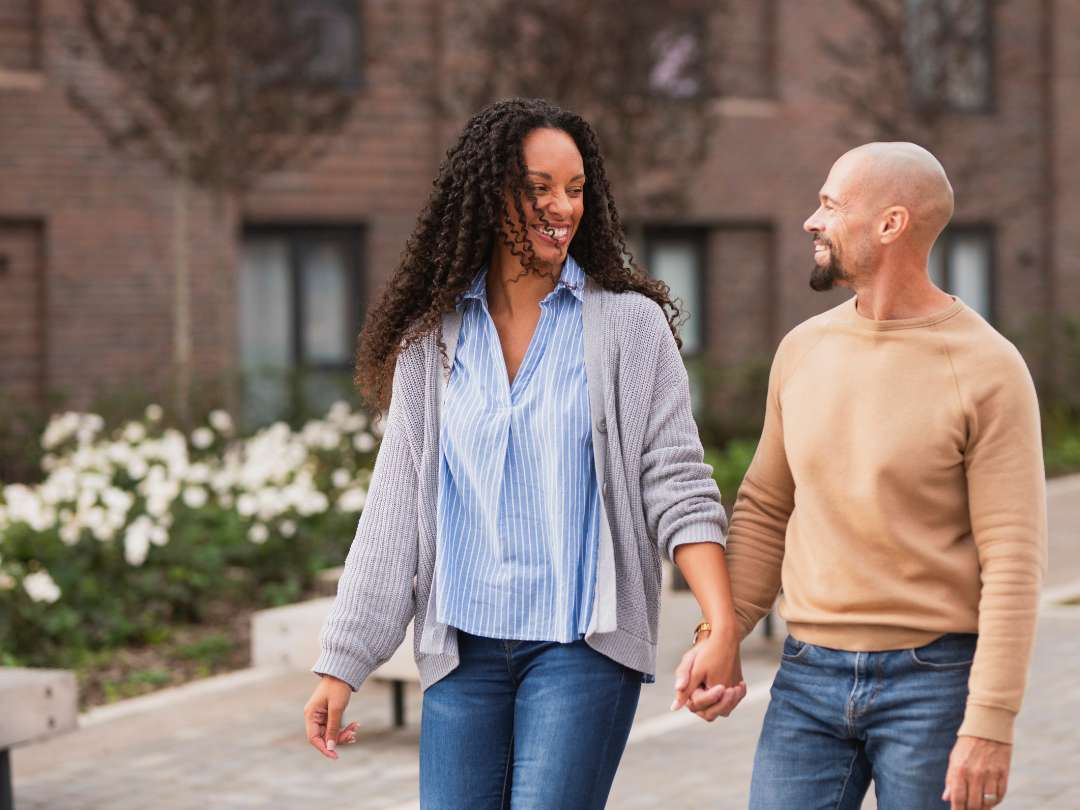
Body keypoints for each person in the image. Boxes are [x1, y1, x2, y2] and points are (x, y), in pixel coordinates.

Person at [302, 97, 744, 810]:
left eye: (575, 190)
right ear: (487, 195)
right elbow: (393, 519)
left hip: (581, 650)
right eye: (539, 188)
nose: (561, 207)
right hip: (464, 652)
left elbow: (676, 483)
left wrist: (719, 625)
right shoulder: (432, 341)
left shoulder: (628, 327)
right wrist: (341, 666)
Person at [673, 142, 1047, 810]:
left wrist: (990, 721)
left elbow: (1014, 562)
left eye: (829, 205)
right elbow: (764, 507)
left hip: (932, 682)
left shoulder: (989, 367)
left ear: (891, 223)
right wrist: (720, 632)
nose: (811, 222)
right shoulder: (803, 349)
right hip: (806, 675)